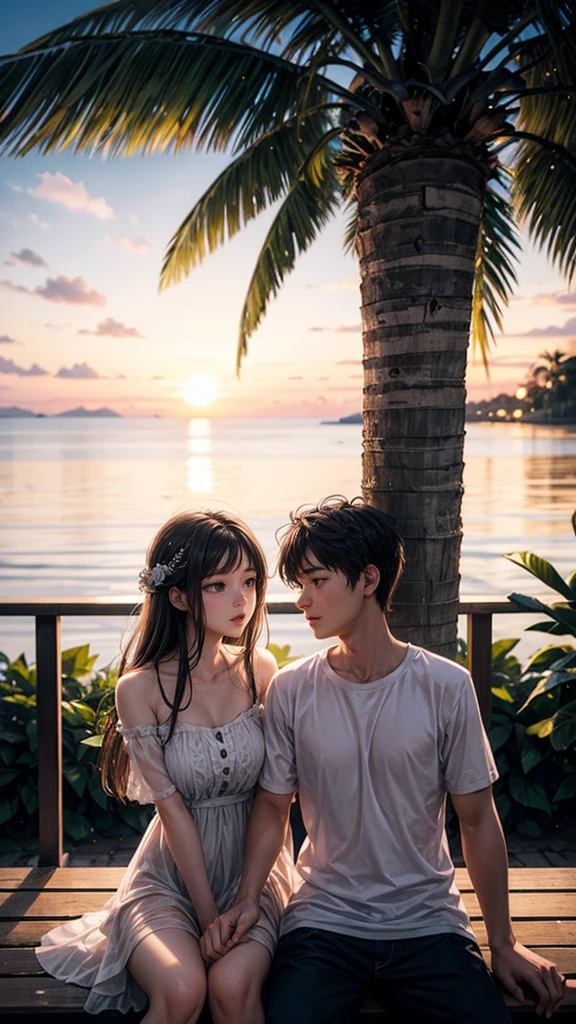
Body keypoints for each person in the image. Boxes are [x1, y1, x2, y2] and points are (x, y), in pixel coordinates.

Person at [202, 496, 566, 1023]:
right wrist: (247, 899)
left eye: (317, 580)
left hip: (430, 925)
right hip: (323, 923)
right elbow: (272, 807)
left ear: (369, 579)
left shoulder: (446, 686)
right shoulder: (290, 688)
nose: (302, 600)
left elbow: (479, 820)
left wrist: (504, 943)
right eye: (299, 585)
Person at [36, 509, 294, 1023]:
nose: (241, 599)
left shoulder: (260, 668)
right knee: (180, 989)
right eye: (218, 585)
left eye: (249, 581)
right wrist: (206, 918)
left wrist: (240, 900)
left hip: (254, 875)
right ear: (177, 596)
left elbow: (277, 796)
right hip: (170, 878)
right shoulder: (140, 688)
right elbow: (172, 811)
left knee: (232, 985)